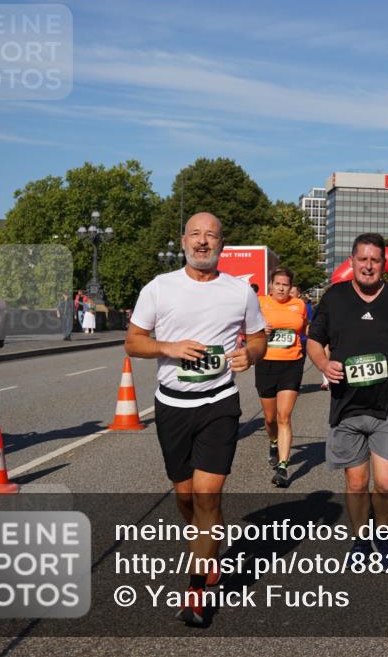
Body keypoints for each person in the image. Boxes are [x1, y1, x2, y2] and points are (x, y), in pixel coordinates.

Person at [125, 212, 267, 626]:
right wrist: (167, 348)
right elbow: (133, 342)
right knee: (185, 498)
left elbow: (258, 337)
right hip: (172, 405)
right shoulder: (160, 287)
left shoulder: (240, 291)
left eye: (211, 236)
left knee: (207, 497)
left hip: (219, 403)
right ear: (183, 240)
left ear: (222, 243)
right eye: (196, 235)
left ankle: (197, 590)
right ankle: (207, 546)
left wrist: (250, 354)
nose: (203, 242)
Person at [307, 233, 388, 568]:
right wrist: (323, 364)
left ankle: (383, 533)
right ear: (352, 261)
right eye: (363, 259)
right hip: (347, 405)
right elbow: (314, 341)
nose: (368, 266)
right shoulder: (335, 297)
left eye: (375, 260)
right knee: (357, 482)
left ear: (384, 265)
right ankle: (361, 537)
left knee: (387, 483)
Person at [257, 267, 309, 488]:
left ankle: (283, 466)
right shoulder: (259, 303)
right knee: (270, 420)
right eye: (277, 283)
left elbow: (304, 328)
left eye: (285, 285)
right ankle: (273, 442)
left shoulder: (299, 305)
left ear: (291, 287)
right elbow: (245, 330)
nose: (281, 288)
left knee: (284, 416)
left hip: (292, 362)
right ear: (270, 284)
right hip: (266, 362)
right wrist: (260, 331)